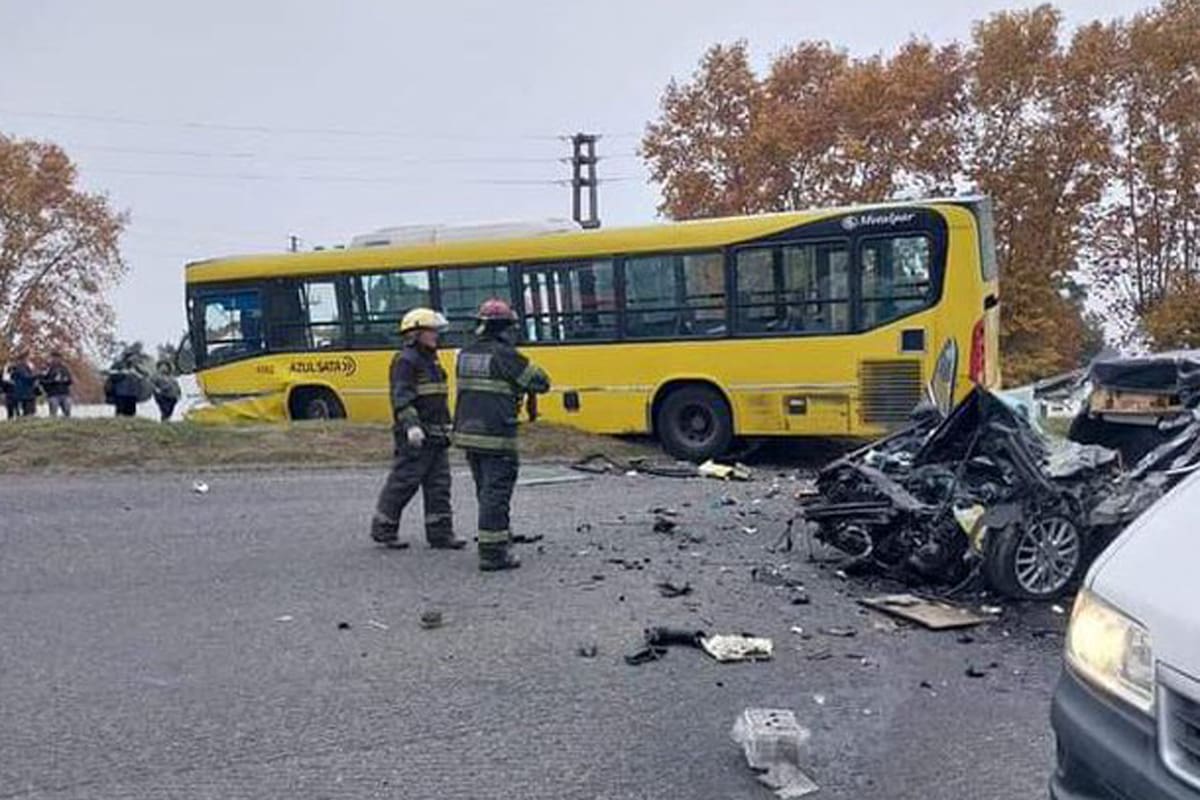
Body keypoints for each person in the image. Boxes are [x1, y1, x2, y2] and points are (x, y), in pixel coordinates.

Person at [452, 298, 550, 571]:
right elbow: (541, 382)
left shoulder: (466, 354)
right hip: (496, 434)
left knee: (485, 490)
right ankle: (494, 553)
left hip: (469, 434)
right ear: (505, 329)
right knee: (496, 493)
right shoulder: (506, 355)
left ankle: (498, 536)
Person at [369, 307, 465, 551]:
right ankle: (384, 529)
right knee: (404, 482)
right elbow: (402, 397)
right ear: (415, 333)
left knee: (439, 486)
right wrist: (412, 426)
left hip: (436, 435)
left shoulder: (430, 359)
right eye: (431, 331)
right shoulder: (406, 361)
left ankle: (441, 534)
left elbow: (437, 398)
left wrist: (448, 425)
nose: (436, 335)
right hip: (416, 436)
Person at [105, 343, 155, 417]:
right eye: (131, 356)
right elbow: (112, 376)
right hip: (120, 393)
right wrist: (123, 373)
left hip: (133, 394)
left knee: (131, 414)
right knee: (120, 413)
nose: (133, 358)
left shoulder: (136, 367)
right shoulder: (118, 365)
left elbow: (145, 375)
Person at [41, 351, 74, 418]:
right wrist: (53, 381)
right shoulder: (47, 368)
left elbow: (70, 380)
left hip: (64, 393)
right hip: (53, 394)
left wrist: (67, 380)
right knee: (53, 413)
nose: (56, 360)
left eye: (58, 358)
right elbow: (42, 381)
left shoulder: (64, 368)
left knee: (67, 412)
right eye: (54, 358)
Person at [8, 353, 38, 417]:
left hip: (24, 392)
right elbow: (26, 377)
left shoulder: (19, 367)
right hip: (26, 392)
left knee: (27, 410)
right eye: (27, 359)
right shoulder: (21, 367)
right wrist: (36, 375)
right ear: (24, 359)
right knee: (28, 411)